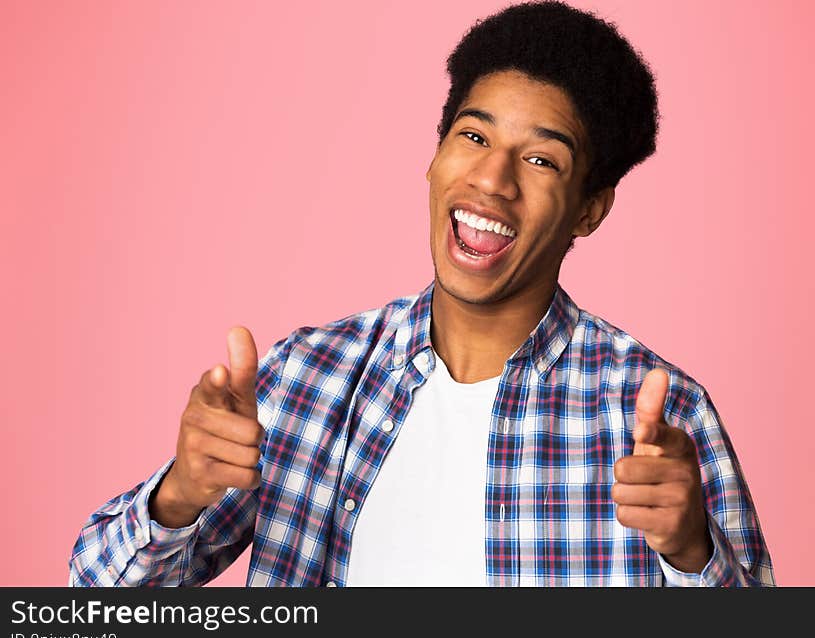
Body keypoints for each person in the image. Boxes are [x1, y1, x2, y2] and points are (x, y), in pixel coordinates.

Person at [69, 1, 774, 587]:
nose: (493, 178)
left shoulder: (661, 414)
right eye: (473, 135)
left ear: (590, 209)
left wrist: (692, 555)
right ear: (435, 159)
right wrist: (178, 496)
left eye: (540, 159)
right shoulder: (308, 378)